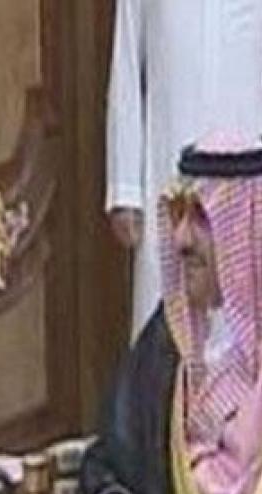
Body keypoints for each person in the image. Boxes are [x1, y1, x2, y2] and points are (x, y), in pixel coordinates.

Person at [0, 134, 262, 494]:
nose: (181, 238)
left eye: (202, 219)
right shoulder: (173, 333)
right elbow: (113, 457)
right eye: (179, 215)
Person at [106, 0, 262, 339]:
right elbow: (127, 61)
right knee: (165, 332)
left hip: (249, 184)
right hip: (169, 175)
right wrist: (125, 187)